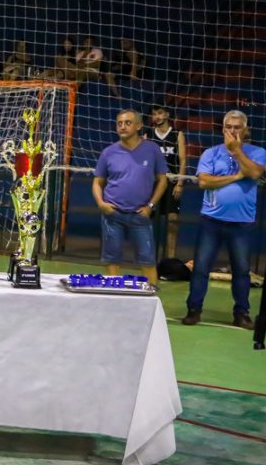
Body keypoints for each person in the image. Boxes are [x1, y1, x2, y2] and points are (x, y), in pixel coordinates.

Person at [182, 110, 266, 329]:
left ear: (246, 130)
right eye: (229, 127)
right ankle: (194, 309)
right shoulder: (210, 153)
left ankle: (241, 313)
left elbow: (255, 173)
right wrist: (237, 176)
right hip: (211, 219)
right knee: (201, 267)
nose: (232, 131)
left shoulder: (257, 152)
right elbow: (204, 182)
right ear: (222, 129)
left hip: (242, 222)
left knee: (241, 270)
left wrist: (237, 152)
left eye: (237, 127)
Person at [92, 109, 169, 284]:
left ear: (139, 126)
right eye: (119, 123)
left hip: (140, 215)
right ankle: (115, 299)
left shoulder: (152, 149)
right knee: (112, 259)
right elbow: (98, 182)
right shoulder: (109, 152)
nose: (122, 127)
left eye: (127, 123)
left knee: (147, 259)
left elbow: (162, 181)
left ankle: (151, 300)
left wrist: (150, 206)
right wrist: (101, 203)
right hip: (112, 214)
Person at [144, 104, 187, 258]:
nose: (157, 117)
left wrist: (180, 183)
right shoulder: (148, 134)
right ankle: (147, 255)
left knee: (172, 221)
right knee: (147, 220)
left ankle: (170, 258)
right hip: (153, 184)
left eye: (160, 113)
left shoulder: (177, 134)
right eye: (154, 114)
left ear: (167, 114)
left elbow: (182, 161)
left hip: (171, 183)